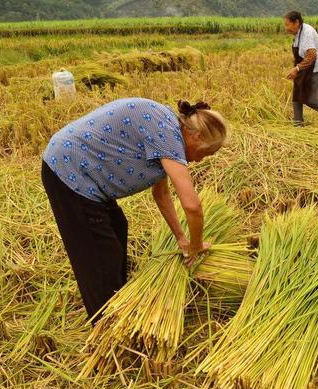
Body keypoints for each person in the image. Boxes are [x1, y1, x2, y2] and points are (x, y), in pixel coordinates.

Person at [40, 98, 227, 323]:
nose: (198, 160)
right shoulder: (167, 135)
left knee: (118, 227)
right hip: (70, 170)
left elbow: (161, 194)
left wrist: (181, 238)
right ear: (197, 137)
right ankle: (106, 328)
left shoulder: (167, 133)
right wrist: (196, 246)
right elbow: (192, 206)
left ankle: (117, 301)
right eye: (205, 153)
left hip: (88, 176)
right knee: (100, 256)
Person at [283, 11, 318, 125]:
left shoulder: (307, 32)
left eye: (287, 24)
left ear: (296, 22)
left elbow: (311, 55)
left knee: (310, 99)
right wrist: (297, 68)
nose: (286, 28)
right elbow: (300, 55)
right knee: (297, 96)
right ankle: (298, 123)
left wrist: (297, 69)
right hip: (303, 68)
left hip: (312, 69)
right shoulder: (297, 34)